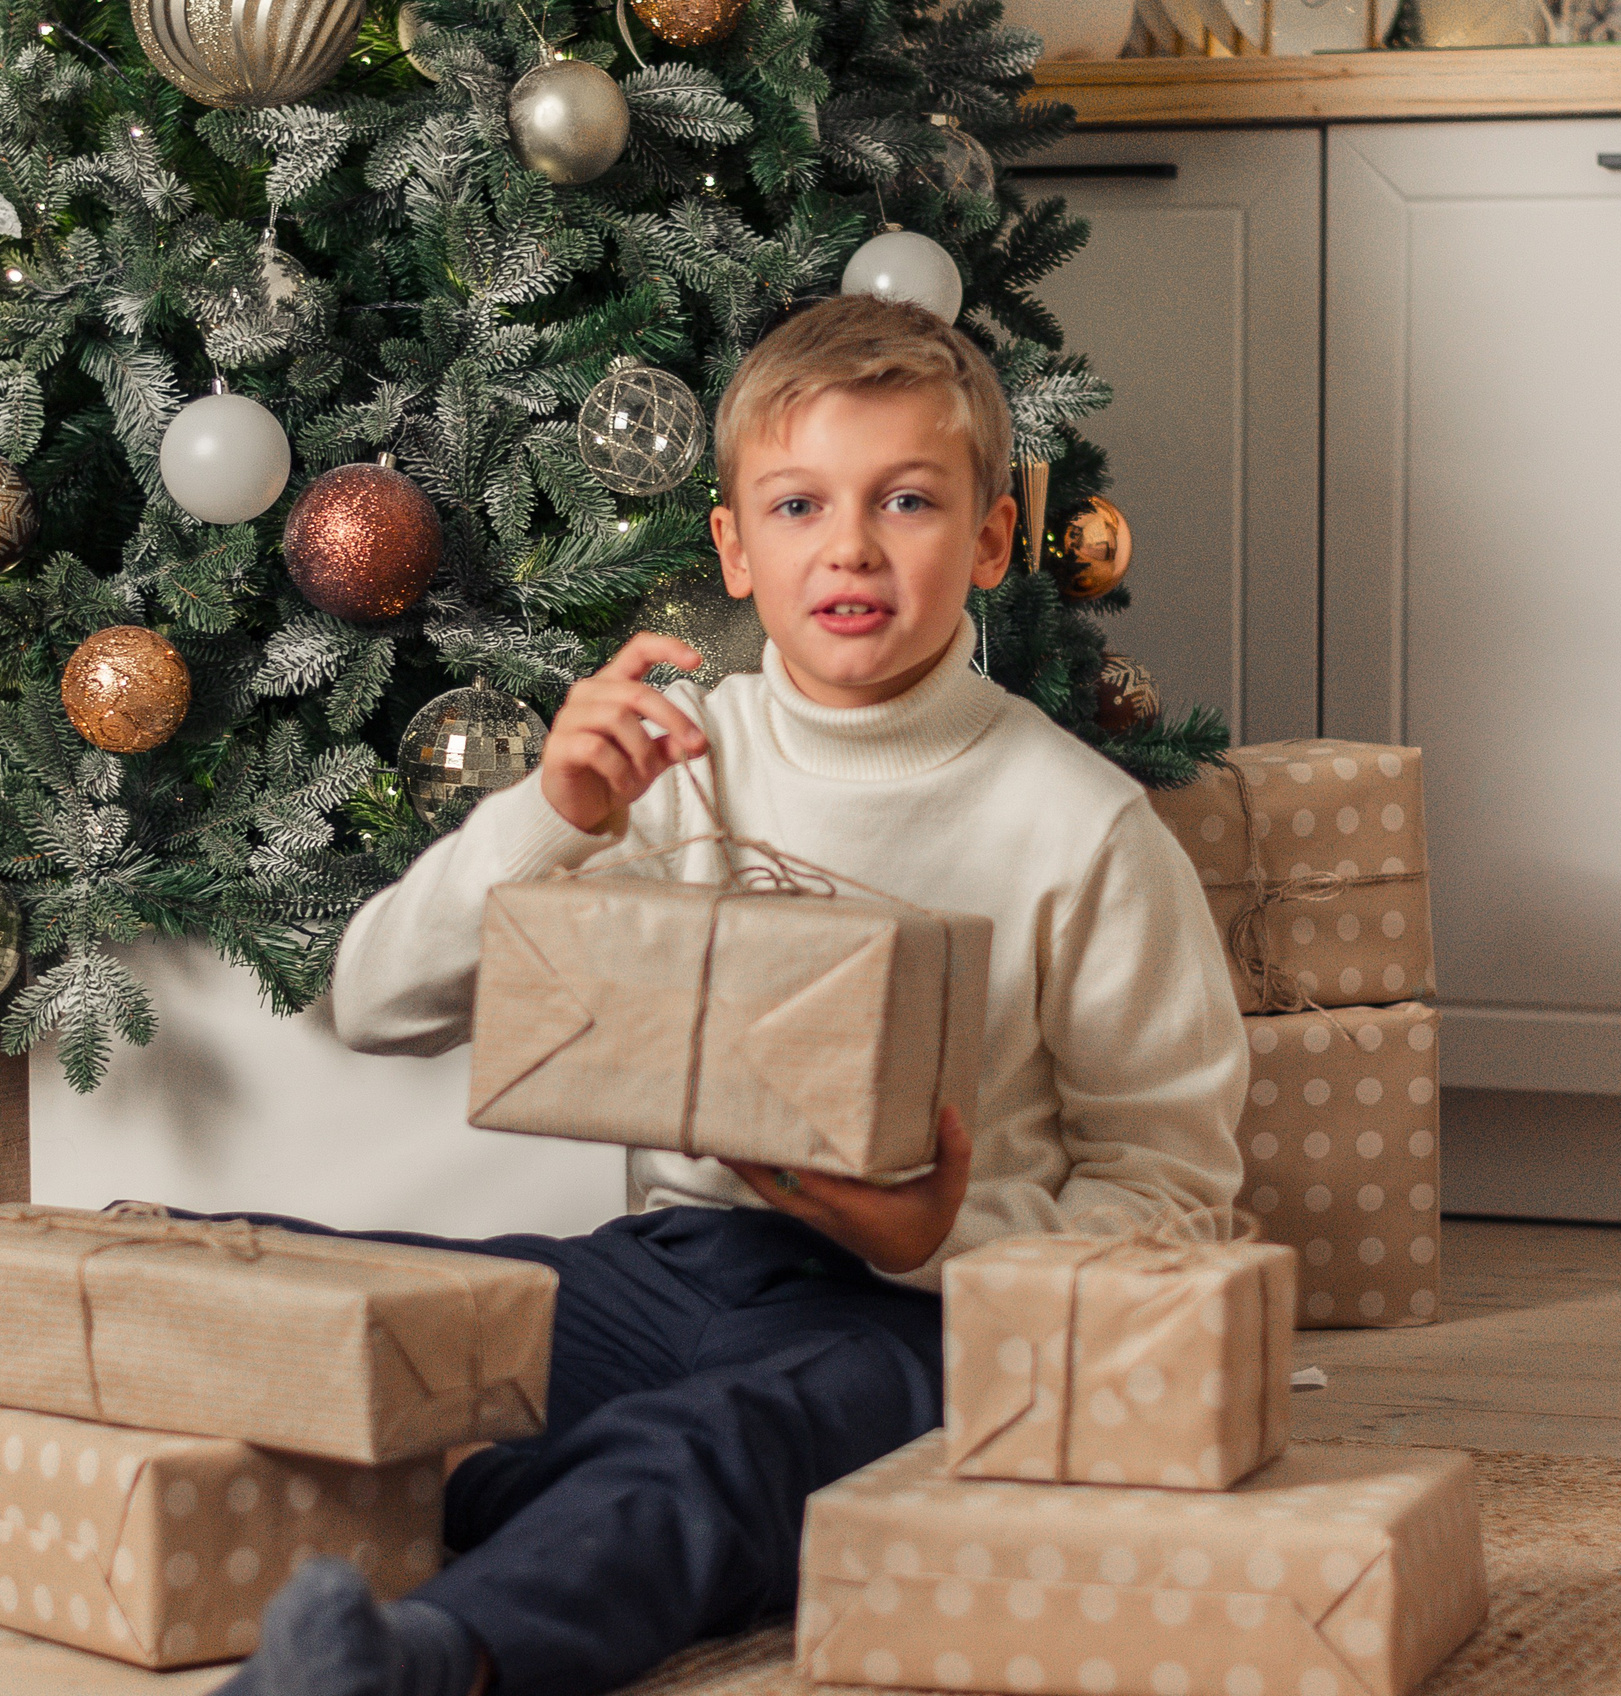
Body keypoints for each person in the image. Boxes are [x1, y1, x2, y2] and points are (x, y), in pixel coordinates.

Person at [211, 293, 1249, 1696]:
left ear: (995, 540)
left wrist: (944, 1236)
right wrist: (551, 819)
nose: (853, 547)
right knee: (312, 1294)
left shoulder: (1086, 827)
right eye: (800, 504)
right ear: (735, 551)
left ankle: (432, 1665)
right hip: (672, 1265)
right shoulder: (672, 763)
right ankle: (588, 1507)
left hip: (914, 1315)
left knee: (723, 1448)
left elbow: (1179, 1195)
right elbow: (375, 1002)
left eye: (909, 502)